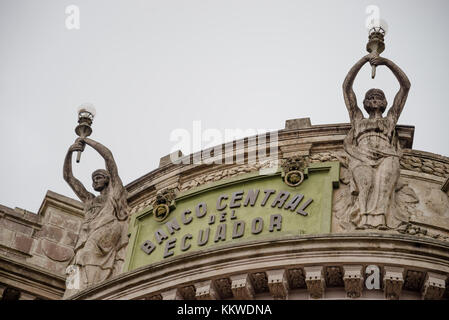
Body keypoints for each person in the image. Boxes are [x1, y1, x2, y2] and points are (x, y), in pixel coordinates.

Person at [342, 53, 411, 229]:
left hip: (387, 154)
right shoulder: (357, 119)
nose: (374, 99)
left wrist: (386, 62)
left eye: (378, 96)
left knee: (384, 188)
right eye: (370, 97)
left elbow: (405, 86)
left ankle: (380, 221)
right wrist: (364, 60)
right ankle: (363, 221)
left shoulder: (390, 119)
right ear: (364, 102)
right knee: (366, 186)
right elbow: (346, 87)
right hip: (362, 155)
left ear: (385, 102)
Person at [63, 137, 129, 294]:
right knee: (76, 266)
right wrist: (69, 153)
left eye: (99, 177)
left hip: (107, 228)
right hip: (89, 234)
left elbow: (108, 157)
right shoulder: (89, 200)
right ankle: (75, 294)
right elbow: (69, 178)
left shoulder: (115, 192)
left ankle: (90, 291)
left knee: (87, 254)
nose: (95, 181)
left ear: (107, 179)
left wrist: (86, 140)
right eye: (93, 179)